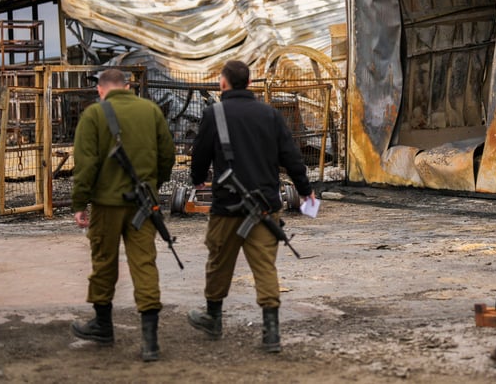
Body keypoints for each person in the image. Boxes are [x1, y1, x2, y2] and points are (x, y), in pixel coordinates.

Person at [187, 59, 316, 353]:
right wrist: (306, 190)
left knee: (218, 263)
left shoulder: (214, 114)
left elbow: (200, 156)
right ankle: (271, 333)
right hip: (266, 207)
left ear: (223, 83)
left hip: (226, 207)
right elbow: (292, 156)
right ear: (248, 83)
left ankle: (213, 318)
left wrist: (197, 180)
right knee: (265, 267)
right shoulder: (269, 114)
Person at [71, 68, 176, 362]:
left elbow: (86, 165)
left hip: (106, 204)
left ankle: (103, 326)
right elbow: (168, 153)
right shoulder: (151, 110)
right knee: (144, 263)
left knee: (104, 261)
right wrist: (154, 184)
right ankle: (150, 341)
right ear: (128, 86)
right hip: (144, 205)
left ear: (100, 89)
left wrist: (80, 203)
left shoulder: (93, 115)